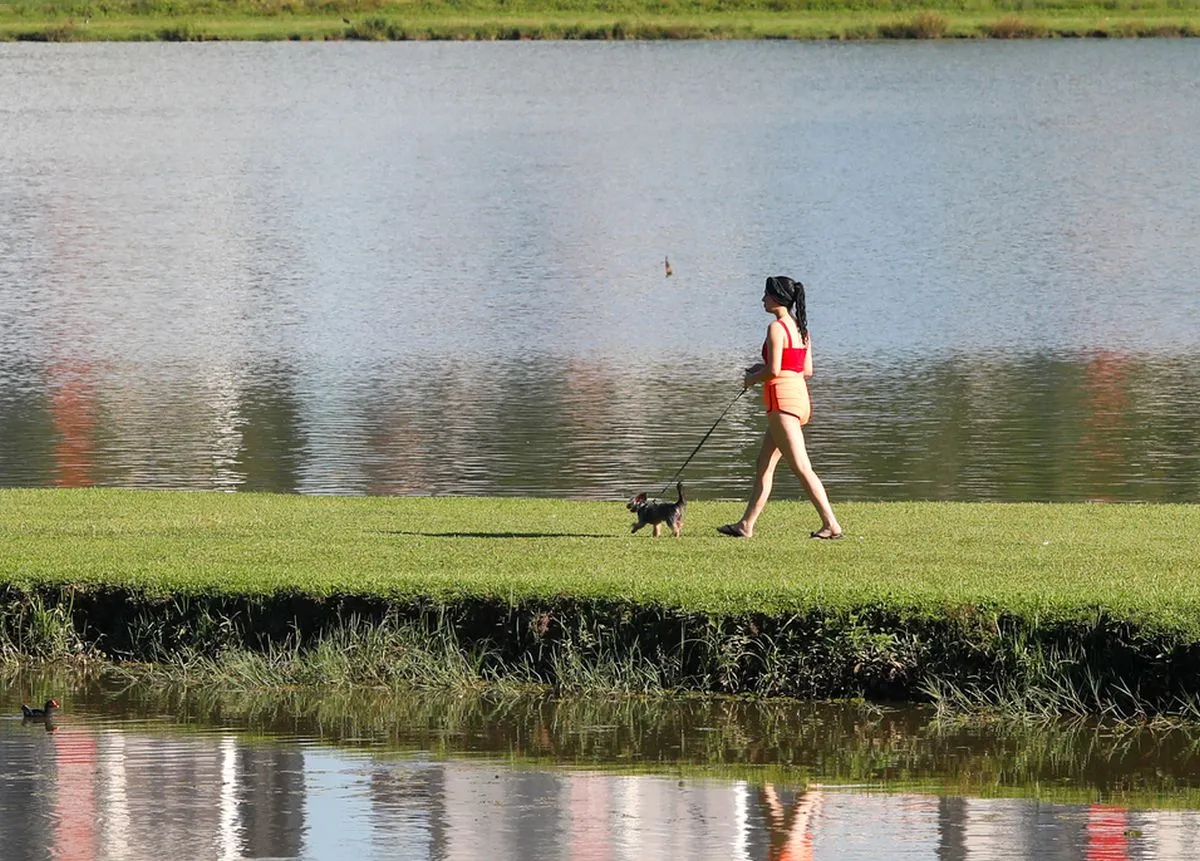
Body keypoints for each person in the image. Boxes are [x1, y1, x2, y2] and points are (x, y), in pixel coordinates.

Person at [717, 275, 843, 540]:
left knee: (801, 466)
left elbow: (774, 370)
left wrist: (752, 377)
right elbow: (805, 369)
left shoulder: (776, 328)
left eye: (765, 294)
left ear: (775, 298)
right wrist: (760, 370)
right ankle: (746, 525)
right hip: (799, 399)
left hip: (782, 402)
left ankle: (831, 524)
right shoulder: (801, 328)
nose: (762, 299)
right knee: (763, 463)